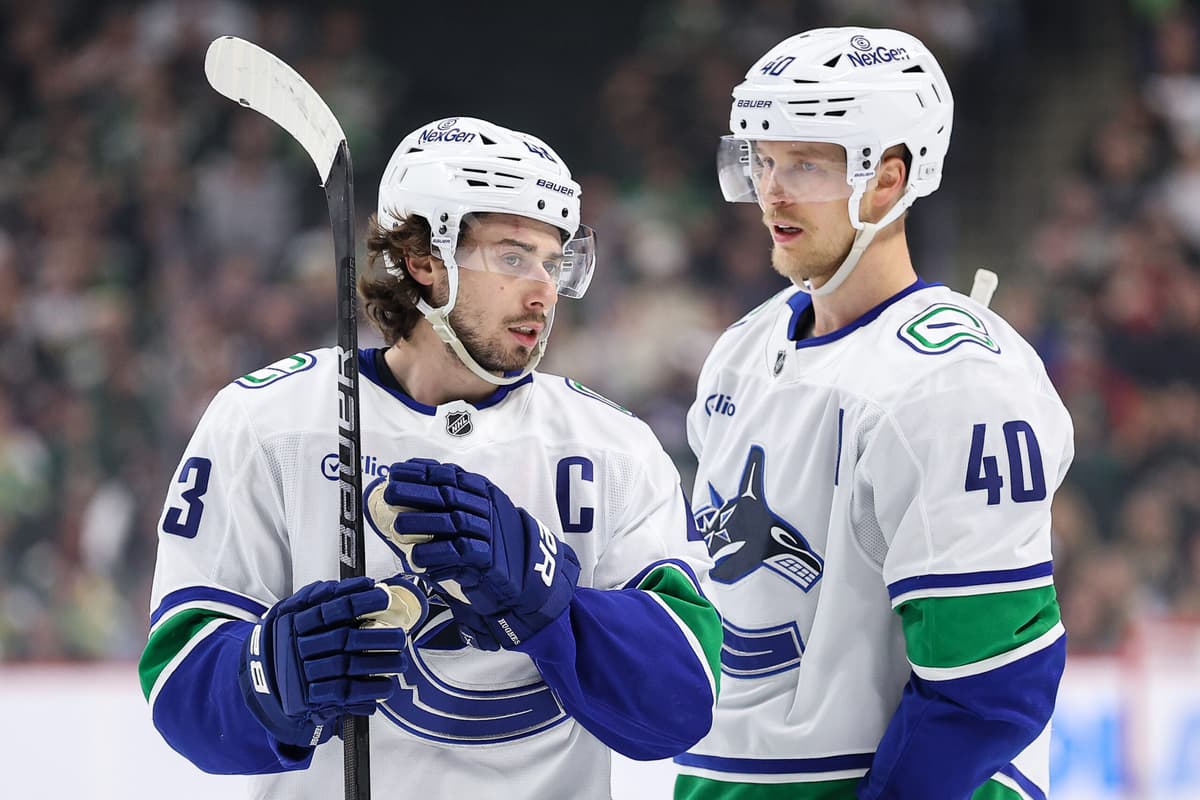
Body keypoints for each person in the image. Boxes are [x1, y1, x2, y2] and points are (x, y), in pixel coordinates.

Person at [139, 116, 721, 799]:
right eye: (513, 258)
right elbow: (178, 690)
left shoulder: (612, 447)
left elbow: (680, 706)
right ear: (422, 259)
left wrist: (547, 597)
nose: (542, 290)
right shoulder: (269, 422)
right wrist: (266, 675)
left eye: (553, 261)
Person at [674, 28, 1073, 800]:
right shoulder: (740, 351)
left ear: (888, 179)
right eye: (763, 160)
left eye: (806, 164)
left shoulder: (957, 380)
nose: (773, 192)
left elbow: (992, 686)